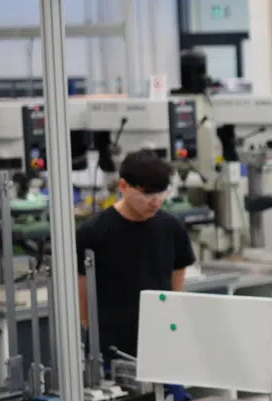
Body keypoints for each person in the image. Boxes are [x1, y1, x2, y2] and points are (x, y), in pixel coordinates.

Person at [76, 150, 196, 363]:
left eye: (161, 193)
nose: (156, 202)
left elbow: (175, 288)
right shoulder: (94, 232)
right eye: (147, 194)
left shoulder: (172, 228)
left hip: (160, 341)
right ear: (123, 186)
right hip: (110, 349)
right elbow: (83, 297)